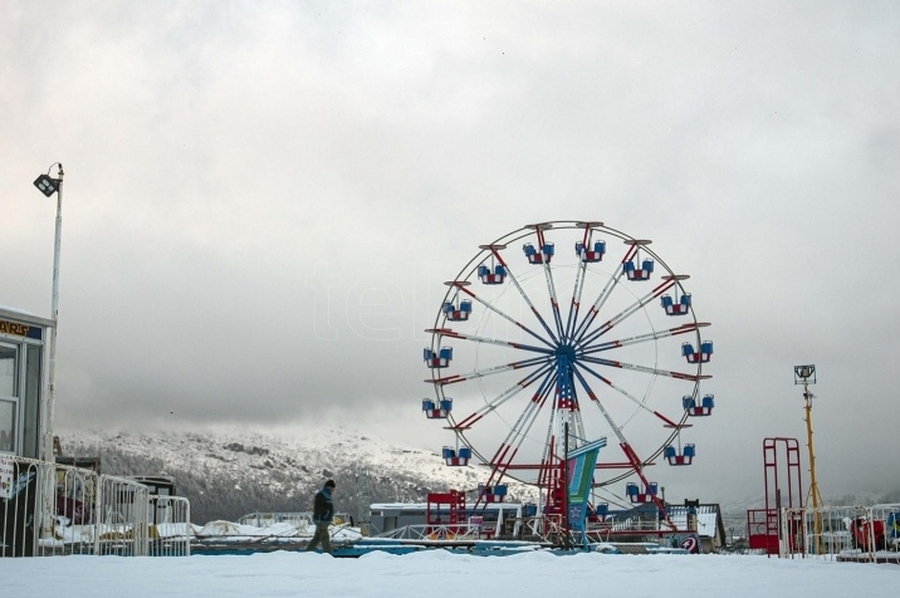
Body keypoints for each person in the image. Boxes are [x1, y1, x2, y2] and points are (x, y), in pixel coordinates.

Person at [305, 479, 336, 553]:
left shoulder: (327, 495)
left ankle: (308, 551)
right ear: (329, 487)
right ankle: (327, 553)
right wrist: (321, 517)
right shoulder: (321, 495)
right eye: (333, 489)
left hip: (324, 520)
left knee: (317, 537)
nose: (333, 491)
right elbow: (318, 508)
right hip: (322, 520)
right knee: (325, 537)